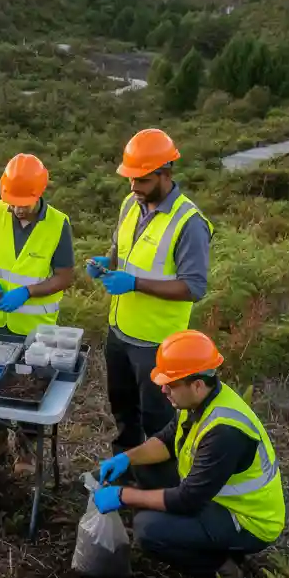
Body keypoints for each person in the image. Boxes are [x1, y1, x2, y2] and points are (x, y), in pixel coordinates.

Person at [91, 331, 284, 578]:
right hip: (216, 496)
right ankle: (208, 547)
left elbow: (187, 500)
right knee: (143, 468)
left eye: (170, 384)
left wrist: (123, 496)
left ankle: (217, 575)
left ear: (195, 384)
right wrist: (126, 458)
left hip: (248, 519)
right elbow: (168, 439)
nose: (163, 390)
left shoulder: (225, 432)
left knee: (148, 530)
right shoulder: (200, 398)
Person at [86, 129, 212, 488]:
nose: (134, 186)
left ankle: (157, 490)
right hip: (120, 331)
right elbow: (121, 251)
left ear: (165, 172)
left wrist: (135, 284)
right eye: (130, 178)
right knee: (124, 411)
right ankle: (123, 470)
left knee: (158, 422)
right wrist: (105, 262)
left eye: (141, 179)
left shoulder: (189, 224)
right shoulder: (131, 205)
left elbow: (194, 286)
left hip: (158, 345)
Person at [0, 153, 74, 474]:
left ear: (40, 193)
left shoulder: (58, 224)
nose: (17, 208)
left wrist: (27, 292)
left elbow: (64, 276)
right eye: (12, 202)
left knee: (30, 388)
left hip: (35, 326)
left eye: (24, 202)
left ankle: (27, 449)